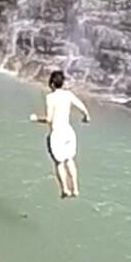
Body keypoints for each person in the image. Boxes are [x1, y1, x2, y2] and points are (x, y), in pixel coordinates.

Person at [30, 70, 90, 199]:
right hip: (68, 132)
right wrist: (86, 116)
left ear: (51, 83)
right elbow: (81, 106)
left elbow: (49, 119)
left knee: (59, 163)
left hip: (57, 134)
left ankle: (65, 190)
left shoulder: (50, 98)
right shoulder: (68, 95)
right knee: (70, 160)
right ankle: (75, 188)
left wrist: (36, 119)